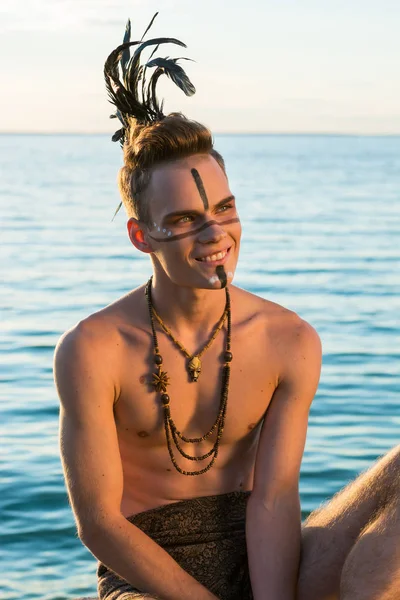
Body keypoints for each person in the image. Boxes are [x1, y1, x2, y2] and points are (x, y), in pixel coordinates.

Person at [54, 13, 400, 600]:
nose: (215, 235)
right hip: (146, 579)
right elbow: (99, 525)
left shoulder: (289, 339)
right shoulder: (93, 348)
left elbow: (272, 498)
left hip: (261, 557)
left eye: (226, 209)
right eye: (186, 220)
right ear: (142, 236)